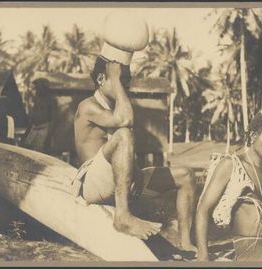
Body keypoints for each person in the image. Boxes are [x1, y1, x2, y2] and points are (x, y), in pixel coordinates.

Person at [72, 57, 196, 251]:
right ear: (101, 79)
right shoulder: (86, 106)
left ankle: (186, 243)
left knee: (186, 175)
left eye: (127, 82)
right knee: (123, 134)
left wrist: (117, 80)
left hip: (125, 183)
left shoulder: (117, 106)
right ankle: (122, 216)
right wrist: (115, 77)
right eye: (122, 81)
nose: (126, 87)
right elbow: (125, 120)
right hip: (95, 185)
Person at [195, 112, 262, 261]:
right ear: (253, 136)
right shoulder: (232, 166)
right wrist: (203, 255)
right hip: (251, 246)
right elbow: (203, 209)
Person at [23, 78, 56, 153]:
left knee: (39, 150)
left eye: (36, 88)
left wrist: (49, 134)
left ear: (42, 88)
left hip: (44, 128)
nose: (34, 90)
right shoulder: (36, 98)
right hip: (34, 127)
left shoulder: (51, 99)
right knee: (27, 147)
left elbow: (53, 118)